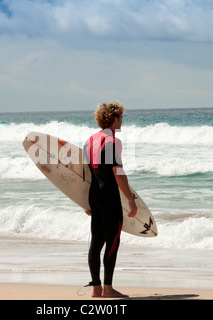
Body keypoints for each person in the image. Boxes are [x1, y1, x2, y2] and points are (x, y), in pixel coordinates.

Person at [83, 101, 138, 298]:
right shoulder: (114, 142)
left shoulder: (89, 141)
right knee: (113, 241)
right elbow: (118, 173)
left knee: (96, 242)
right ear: (114, 119)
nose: (122, 120)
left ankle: (96, 288)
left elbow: (86, 174)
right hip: (109, 197)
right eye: (121, 117)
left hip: (94, 195)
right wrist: (130, 199)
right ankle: (108, 289)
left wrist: (85, 202)